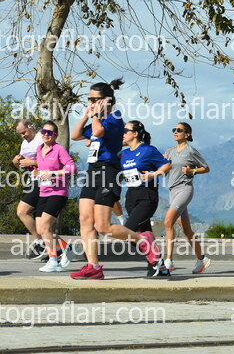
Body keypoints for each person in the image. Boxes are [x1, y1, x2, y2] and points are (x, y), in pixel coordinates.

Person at [70, 79, 161, 280]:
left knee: (103, 226)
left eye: (94, 99)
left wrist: (95, 115)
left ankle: (142, 240)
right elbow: (75, 135)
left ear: (107, 100)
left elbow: (97, 132)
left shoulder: (115, 118)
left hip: (108, 172)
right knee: (85, 219)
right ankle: (93, 266)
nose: (90, 102)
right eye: (88, 99)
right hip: (92, 172)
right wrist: (86, 115)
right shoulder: (96, 119)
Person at [121, 120, 172, 276]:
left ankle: (156, 260)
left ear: (135, 134)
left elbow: (167, 165)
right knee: (144, 232)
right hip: (131, 196)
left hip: (147, 195)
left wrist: (153, 174)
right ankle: (159, 267)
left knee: (128, 232)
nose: (123, 134)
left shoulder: (148, 150)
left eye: (125, 131)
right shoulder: (123, 154)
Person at [162, 122, 210, 274]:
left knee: (168, 221)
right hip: (172, 191)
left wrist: (192, 171)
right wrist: (163, 163)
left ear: (187, 134)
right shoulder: (169, 151)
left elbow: (206, 168)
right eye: (174, 130)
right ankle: (202, 259)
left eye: (179, 130)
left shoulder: (191, 151)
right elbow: (164, 172)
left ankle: (168, 261)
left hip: (185, 189)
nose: (175, 132)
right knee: (187, 230)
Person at [34, 121, 77, 272]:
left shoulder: (59, 149)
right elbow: (42, 169)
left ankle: (53, 261)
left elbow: (72, 168)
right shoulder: (39, 149)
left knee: (45, 226)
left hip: (58, 193)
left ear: (55, 136)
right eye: (44, 131)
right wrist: (37, 173)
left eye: (50, 132)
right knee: (41, 229)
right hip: (43, 192)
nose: (46, 134)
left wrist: (53, 173)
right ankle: (67, 248)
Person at [12, 119, 45, 259]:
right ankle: (60, 249)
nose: (22, 136)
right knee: (41, 221)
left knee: (22, 211)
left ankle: (40, 242)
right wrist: (16, 163)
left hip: (42, 181)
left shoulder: (42, 138)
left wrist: (31, 162)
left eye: (24, 132)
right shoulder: (25, 143)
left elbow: (52, 161)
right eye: (20, 134)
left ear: (30, 126)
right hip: (30, 180)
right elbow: (23, 166)